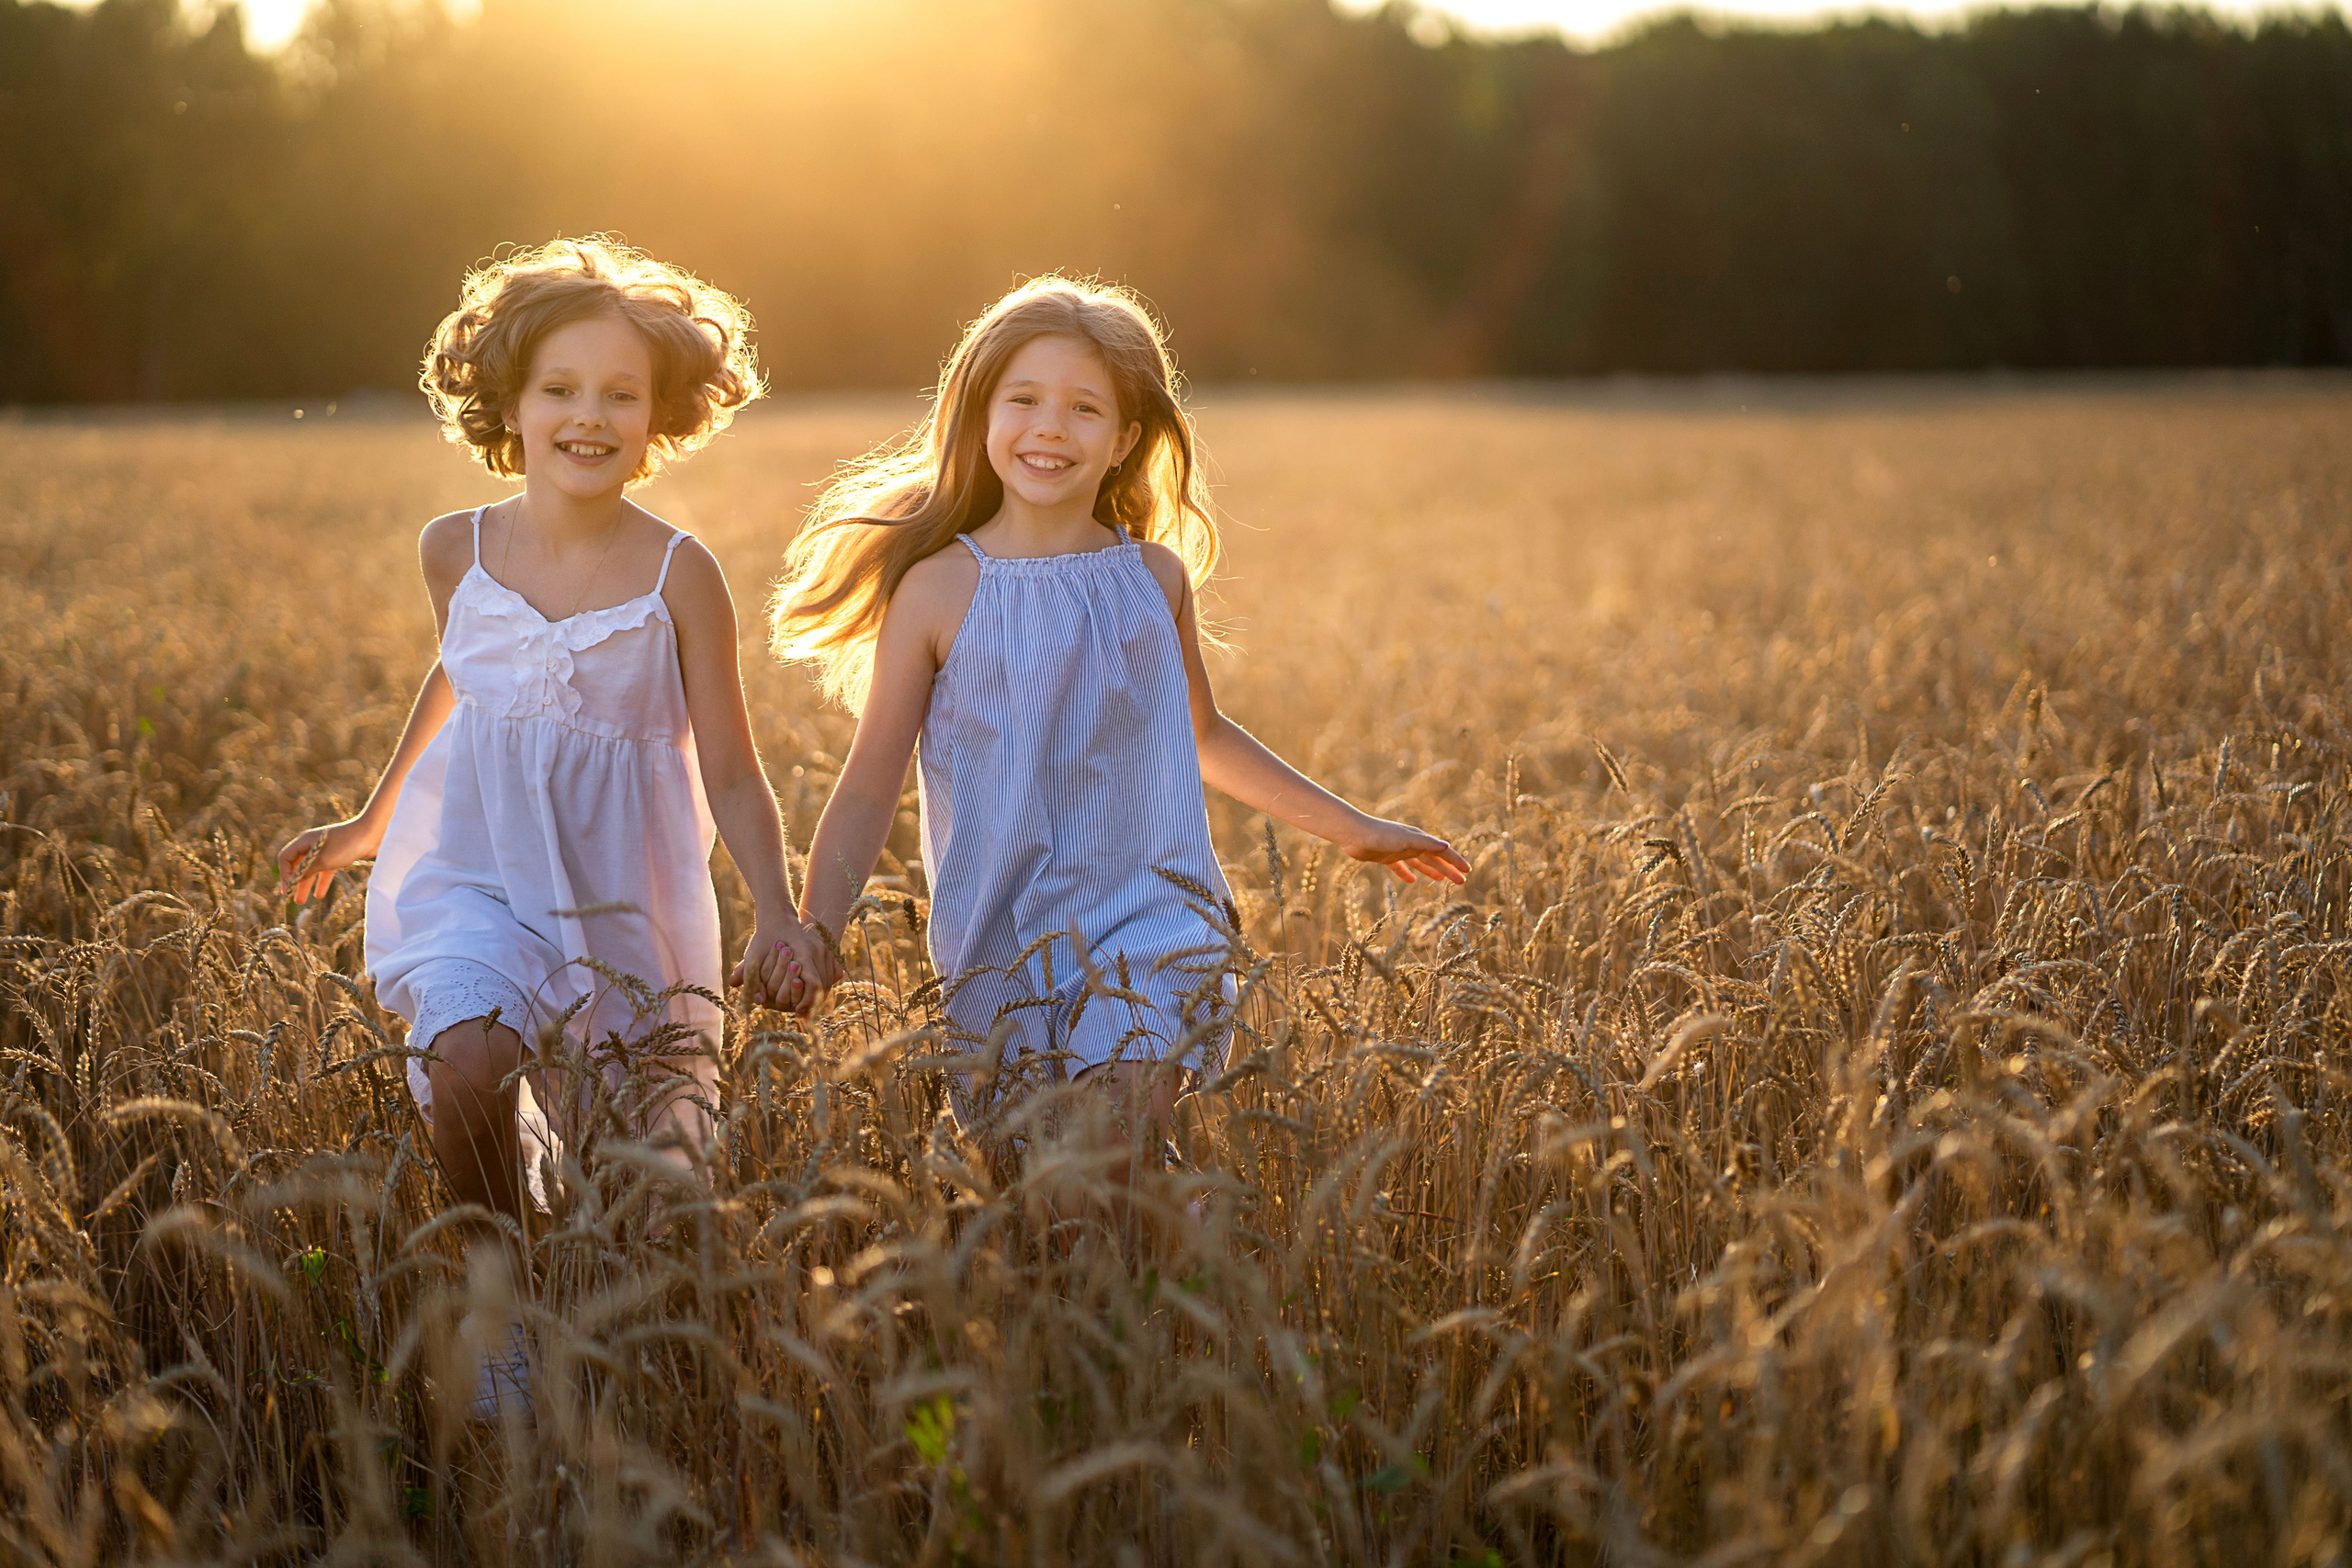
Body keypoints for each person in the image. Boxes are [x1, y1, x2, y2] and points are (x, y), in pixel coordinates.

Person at [276, 238, 825, 1416]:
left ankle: (636, 1352)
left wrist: (778, 910)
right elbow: (463, 676)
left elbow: (729, 768)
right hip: (473, 863)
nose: (590, 416)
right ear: (510, 404)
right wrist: (372, 819)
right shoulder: (455, 547)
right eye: (561, 390)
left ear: (658, 414)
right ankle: (498, 1301)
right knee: (467, 1057)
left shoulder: (682, 574)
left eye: (621, 394)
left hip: (618, 885)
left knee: (638, 1173)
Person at [765, 276, 1468, 1145]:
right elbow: (871, 783)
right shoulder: (939, 589)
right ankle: (1161, 1260)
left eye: (1084, 408)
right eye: (1024, 399)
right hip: (1002, 933)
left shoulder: (1154, 579)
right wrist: (818, 928)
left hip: (1153, 916)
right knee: (1059, 1204)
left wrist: (1351, 826)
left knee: (1120, 1136)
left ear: (1125, 438)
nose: (1051, 427)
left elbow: (1203, 734)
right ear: (982, 414)